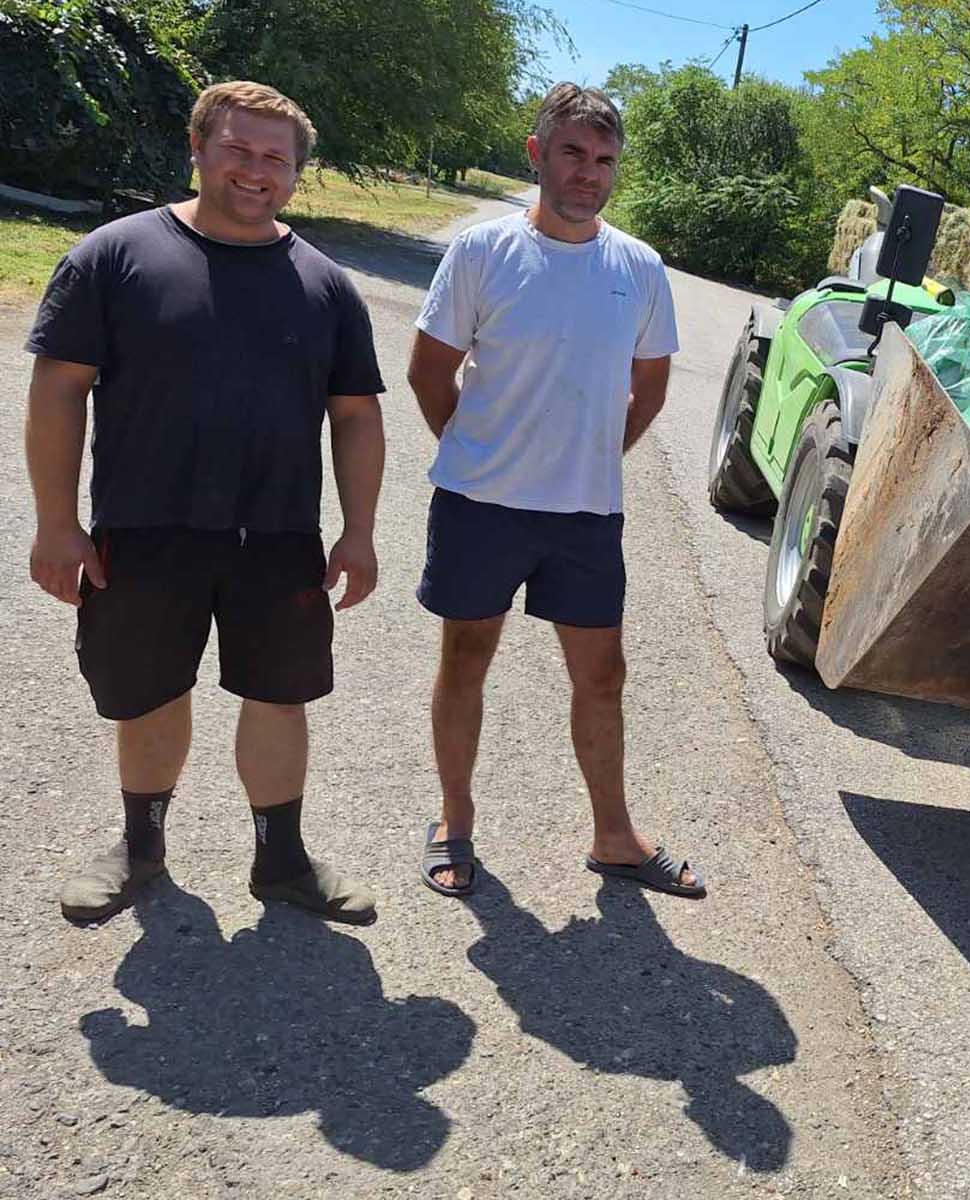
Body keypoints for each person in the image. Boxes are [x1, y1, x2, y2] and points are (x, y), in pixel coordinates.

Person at [26, 81, 386, 926]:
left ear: (296, 172)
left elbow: (356, 417)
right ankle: (140, 849)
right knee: (149, 693)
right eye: (237, 149)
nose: (256, 170)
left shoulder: (326, 285)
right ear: (197, 147)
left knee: (279, 695)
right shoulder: (114, 257)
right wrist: (55, 523)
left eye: (276, 158)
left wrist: (360, 531)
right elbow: (57, 390)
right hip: (144, 526)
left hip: (278, 534)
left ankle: (282, 861)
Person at [405, 83, 697, 900]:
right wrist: (481, 453)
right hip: (480, 506)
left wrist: (591, 459)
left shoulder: (639, 268)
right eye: (572, 152)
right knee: (467, 658)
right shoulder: (482, 252)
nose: (588, 172)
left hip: (585, 516)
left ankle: (614, 836)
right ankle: (454, 818)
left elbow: (650, 390)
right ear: (538, 154)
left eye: (604, 159)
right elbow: (428, 371)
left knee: (603, 675)